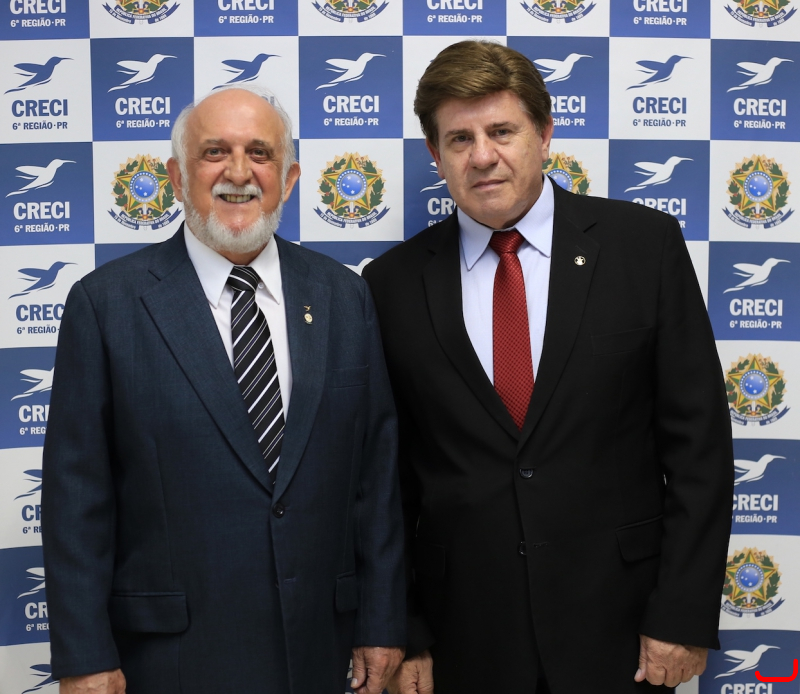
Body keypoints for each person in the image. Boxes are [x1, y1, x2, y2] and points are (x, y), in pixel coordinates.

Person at [362, 41, 733, 694]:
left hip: (622, 632)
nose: (482, 156)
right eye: (459, 139)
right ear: (435, 155)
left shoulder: (643, 248)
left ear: (544, 132)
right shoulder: (391, 284)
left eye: (502, 131)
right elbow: (386, 482)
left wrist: (682, 613)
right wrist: (405, 626)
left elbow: (699, 449)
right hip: (463, 640)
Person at [41, 85, 405, 694]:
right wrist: (84, 657)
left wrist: (384, 620)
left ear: (289, 179)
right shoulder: (106, 305)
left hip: (319, 649)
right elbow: (77, 500)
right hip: (172, 659)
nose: (239, 173)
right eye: (215, 152)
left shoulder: (344, 296)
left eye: (260, 153)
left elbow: (377, 476)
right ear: (177, 178)